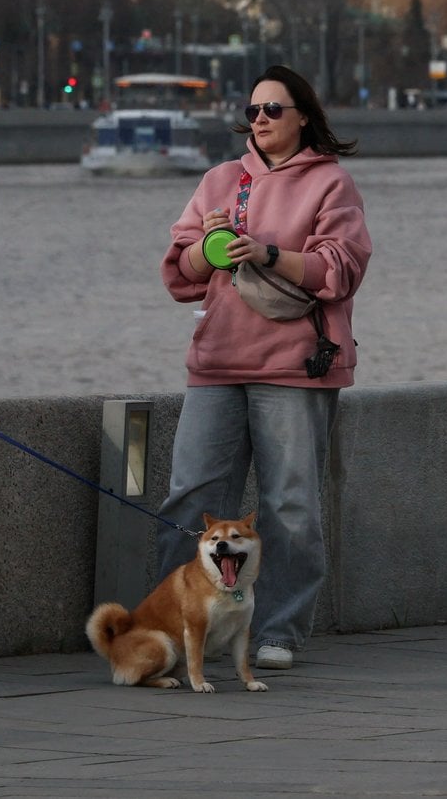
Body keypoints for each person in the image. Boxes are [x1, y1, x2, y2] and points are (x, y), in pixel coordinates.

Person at [157, 65, 373, 672]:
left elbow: (343, 268)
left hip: (296, 366)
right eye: (253, 110)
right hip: (218, 361)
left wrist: (270, 254)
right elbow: (178, 270)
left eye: (274, 110)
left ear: (303, 115)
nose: (260, 120)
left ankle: (278, 630)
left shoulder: (332, 184)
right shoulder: (221, 180)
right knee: (192, 497)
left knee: (290, 506)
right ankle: (180, 624)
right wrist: (209, 247)